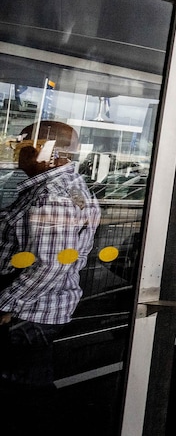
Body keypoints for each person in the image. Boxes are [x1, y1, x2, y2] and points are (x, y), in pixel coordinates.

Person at [0, 121, 101, 429]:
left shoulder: (53, 196)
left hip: (26, 314)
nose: (16, 153)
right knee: (28, 389)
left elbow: (49, 265)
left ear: (46, 151)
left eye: (21, 146)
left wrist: (5, 306)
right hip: (36, 309)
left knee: (22, 395)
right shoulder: (62, 187)